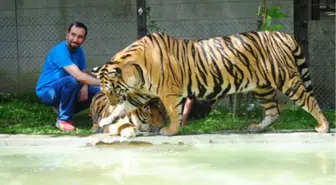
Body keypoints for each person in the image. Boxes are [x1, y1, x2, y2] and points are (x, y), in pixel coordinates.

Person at [35, 22, 101, 131]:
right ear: (67, 34)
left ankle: (99, 117)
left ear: (84, 39)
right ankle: (63, 120)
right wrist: (105, 82)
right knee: (71, 81)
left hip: (70, 88)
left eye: (80, 37)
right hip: (48, 91)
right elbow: (78, 76)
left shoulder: (79, 51)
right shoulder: (60, 50)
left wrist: (85, 86)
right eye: (73, 35)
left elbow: (84, 72)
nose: (75, 39)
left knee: (100, 91)